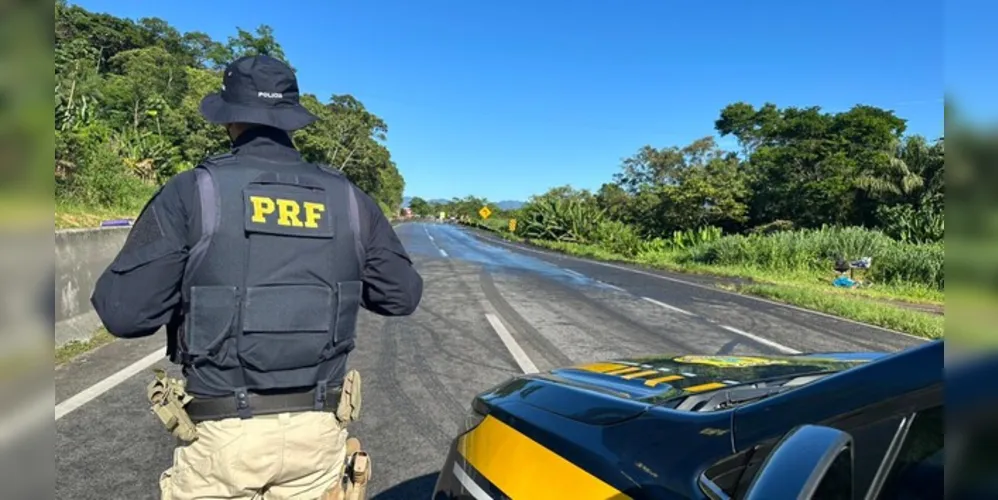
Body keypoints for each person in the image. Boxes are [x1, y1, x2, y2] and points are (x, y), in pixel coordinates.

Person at [90, 54, 423, 499]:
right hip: (319, 435)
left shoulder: (196, 191)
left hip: (223, 437)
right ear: (290, 120)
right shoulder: (349, 200)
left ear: (230, 119)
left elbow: (124, 314)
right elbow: (401, 295)